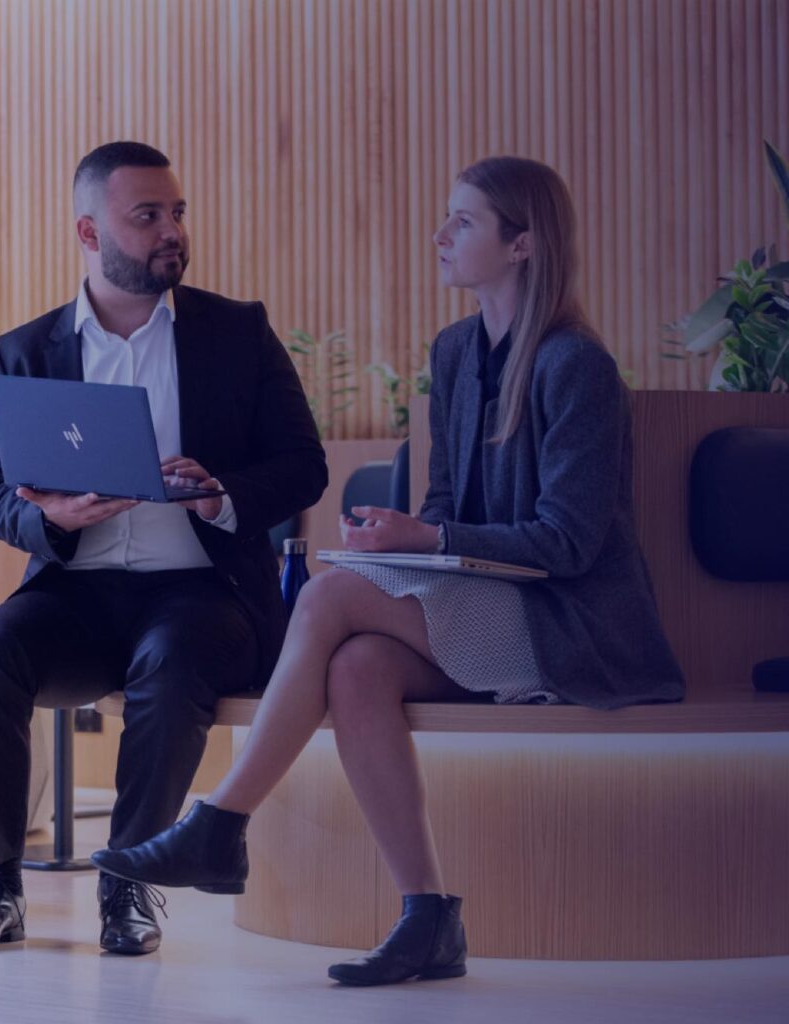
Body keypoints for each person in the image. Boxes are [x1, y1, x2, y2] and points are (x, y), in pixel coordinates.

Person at [91, 155, 685, 984]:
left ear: (522, 244)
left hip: (571, 623)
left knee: (331, 599)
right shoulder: (455, 352)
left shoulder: (574, 365)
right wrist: (398, 540)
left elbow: (569, 544)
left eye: (464, 222)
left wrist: (429, 542)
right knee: (360, 667)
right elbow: (447, 508)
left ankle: (221, 823)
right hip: (493, 604)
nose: (441, 235)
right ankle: (428, 917)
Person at [0, 141, 327, 955]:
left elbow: (305, 465)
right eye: (146, 216)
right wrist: (59, 519)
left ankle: (129, 887)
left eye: (176, 212)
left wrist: (221, 493)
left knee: (174, 658)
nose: (170, 231)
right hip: (75, 593)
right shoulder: (25, 352)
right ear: (90, 231)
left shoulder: (237, 334)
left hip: (202, 590)